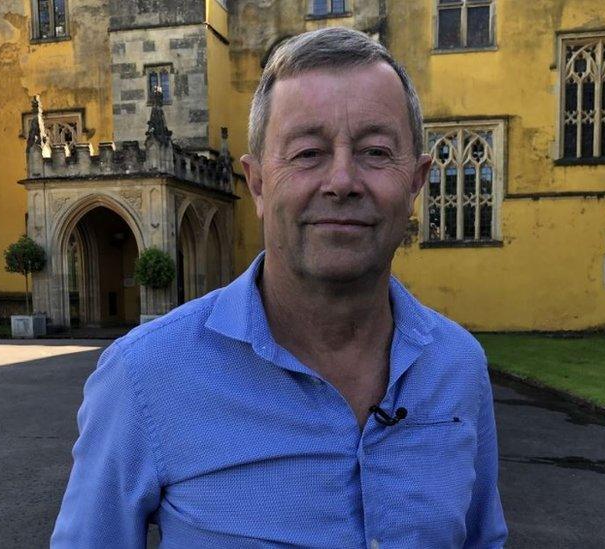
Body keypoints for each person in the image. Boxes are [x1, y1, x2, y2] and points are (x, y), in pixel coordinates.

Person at [51, 27, 507, 548]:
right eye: (308, 152)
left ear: (417, 181)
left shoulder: (458, 366)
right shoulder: (144, 376)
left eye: (376, 152)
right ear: (259, 183)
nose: (342, 181)